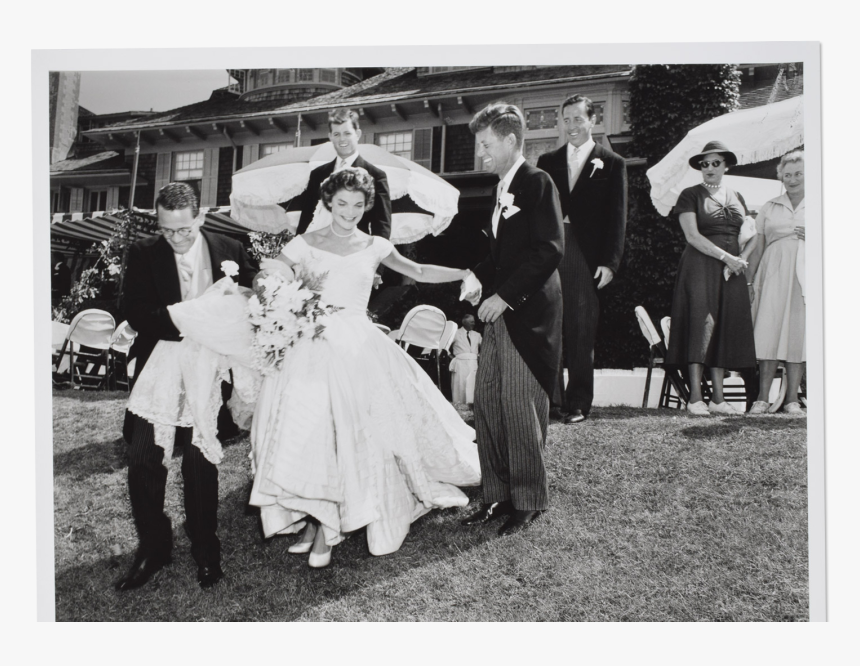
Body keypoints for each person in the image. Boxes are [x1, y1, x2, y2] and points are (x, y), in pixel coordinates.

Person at [249, 167, 480, 568]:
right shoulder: (304, 243)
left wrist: (464, 272)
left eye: (358, 205)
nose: (350, 212)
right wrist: (265, 284)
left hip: (357, 348)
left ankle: (327, 527)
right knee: (309, 432)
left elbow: (419, 272)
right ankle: (312, 516)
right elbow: (273, 272)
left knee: (347, 433)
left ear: (367, 205)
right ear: (328, 203)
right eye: (342, 204)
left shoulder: (375, 244)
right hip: (312, 343)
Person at [116, 182, 257, 591]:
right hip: (160, 364)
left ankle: (206, 550)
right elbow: (134, 308)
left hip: (212, 369)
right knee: (143, 456)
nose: (176, 239)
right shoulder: (143, 253)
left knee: (199, 462)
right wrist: (189, 319)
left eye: (184, 230)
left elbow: (253, 293)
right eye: (166, 230)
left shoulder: (230, 246)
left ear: (200, 217)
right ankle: (153, 549)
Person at [459, 103, 564, 537]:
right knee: (487, 401)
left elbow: (549, 249)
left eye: (486, 144)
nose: (481, 152)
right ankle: (497, 494)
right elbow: (502, 255)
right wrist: (475, 276)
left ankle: (529, 499)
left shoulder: (538, 182)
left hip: (529, 312)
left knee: (520, 405)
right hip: (499, 311)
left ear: (509, 140)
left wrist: (503, 296)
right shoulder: (501, 188)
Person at [537, 95, 627, 424]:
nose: (572, 126)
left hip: (587, 256)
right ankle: (552, 403)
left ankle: (577, 403)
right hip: (551, 250)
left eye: (578, 119)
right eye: (567, 119)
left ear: (592, 120)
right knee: (550, 327)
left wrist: (610, 262)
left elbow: (618, 217)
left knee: (581, 329)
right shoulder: (547, 161)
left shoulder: (612, 163)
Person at [664, 141, 758, 416]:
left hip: (732, 271)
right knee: (700, 326)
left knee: (724, 329)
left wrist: (740, 261)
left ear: (726, 165)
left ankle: (718, 399)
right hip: (701, 266)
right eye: (704, 164)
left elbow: (752, 235)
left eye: (715, 163)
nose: (709, 168)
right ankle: (695, 398)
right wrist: (727, 258)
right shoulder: (690, 194)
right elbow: (692, 236)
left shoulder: (737, 195)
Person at [746, 150, 806, 415]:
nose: (792, 179)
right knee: (767, 331)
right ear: (781, 175)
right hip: (771, 274)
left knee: (798, 334)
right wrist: (749, 282)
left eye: (799, 174)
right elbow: (757, 247)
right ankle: (762, 398)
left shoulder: (825, 202)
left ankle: (792, 399)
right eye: (788, 174)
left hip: (805, 276)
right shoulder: (770, 206)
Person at [296, 108, 392, 239]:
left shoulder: (376, 176)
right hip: (319, 250)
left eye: (347, 133)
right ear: (330, 136)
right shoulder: (317, 174)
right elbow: (306, 219)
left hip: (355, 252)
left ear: (357, 134)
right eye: (336, 134)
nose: (342, 139)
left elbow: (381, 227)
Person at [449, 314, 482, 404]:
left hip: (474, 364)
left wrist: (480, 356)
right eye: (471, 322)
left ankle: (473, 408)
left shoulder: (477, 335)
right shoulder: (455, 333)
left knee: (473, 385)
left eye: (474, 321)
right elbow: (444, 346)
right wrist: (450, 356)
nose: (474, 323)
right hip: (460, 363)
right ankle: (460, 406)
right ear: (464, 322)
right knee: (460, 385)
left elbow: (485, 347)